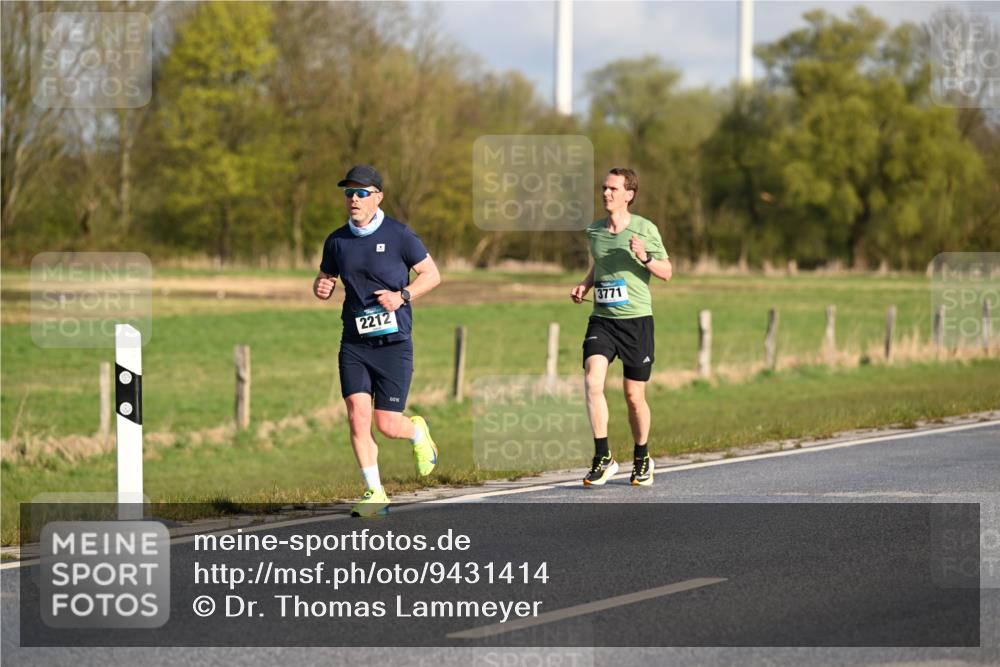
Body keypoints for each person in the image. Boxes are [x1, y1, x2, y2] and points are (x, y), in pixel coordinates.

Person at [314, 165, 442, 517]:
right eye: (348, 193)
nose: (353, 199)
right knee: (357, 416)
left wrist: (403, 295)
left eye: (361, 193)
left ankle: (416, 431)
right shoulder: (337, 240)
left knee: (386, 424)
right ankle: (375, 491)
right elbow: (325, 277)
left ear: (378, 197)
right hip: (355, 343)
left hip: (393, 344)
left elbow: (432, 275)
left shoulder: (400, 235)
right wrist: (321, 286)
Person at [570, 168, 672, 486]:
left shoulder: (645, 229)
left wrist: (644, 258)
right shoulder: (595, 231)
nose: (606, 193)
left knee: (633, 395)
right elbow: (600, 263)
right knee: (592, 380)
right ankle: (604, 457)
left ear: (629, 194)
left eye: (613, 188)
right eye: (604, 188)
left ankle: (642, 457)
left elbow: (666, 271)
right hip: (603, 319)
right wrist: (586, 285)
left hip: (636, 322)